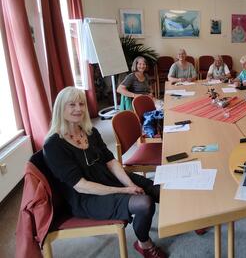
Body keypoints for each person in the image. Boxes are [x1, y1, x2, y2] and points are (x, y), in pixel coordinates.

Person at [43, 87, 165, 258]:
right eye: (72, 105)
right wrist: (125, 190)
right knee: (144, 203)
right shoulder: (53, 145)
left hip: (106, 178)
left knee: (156, 188)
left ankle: (191, 216)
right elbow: (82, 186)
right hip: (87, 197)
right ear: (60, 108)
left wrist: (130, 184)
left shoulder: (90, 132)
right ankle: (143, 243)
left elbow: (111, 161)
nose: (78, 109)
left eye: (81, 104)